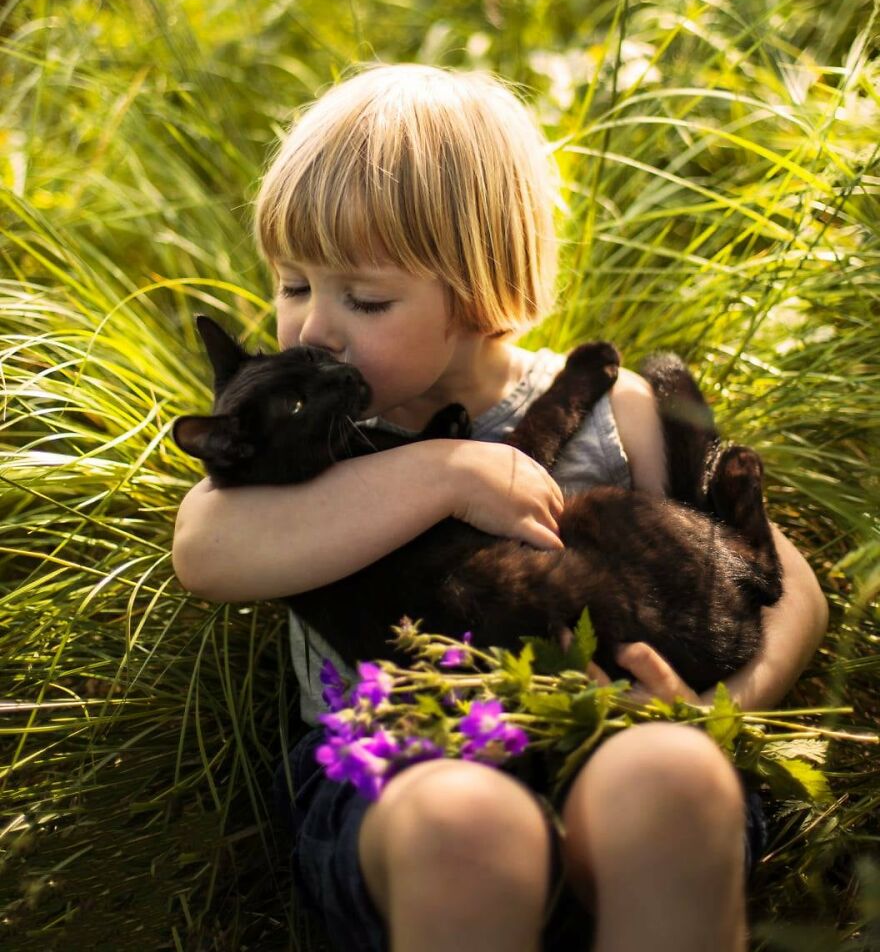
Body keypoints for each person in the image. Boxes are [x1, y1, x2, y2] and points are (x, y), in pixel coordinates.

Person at [172, 64, 828, 952]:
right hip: (400, 771)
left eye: (364, 298)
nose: (314, 329)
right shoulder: (301, 447)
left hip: (613, 731)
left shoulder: (616, 412)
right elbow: (205, 550)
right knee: (465, 825)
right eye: (293, 286)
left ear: (479, 293)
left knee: (672, 779)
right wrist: (444, 472)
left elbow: (793, 588)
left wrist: (722, 709)